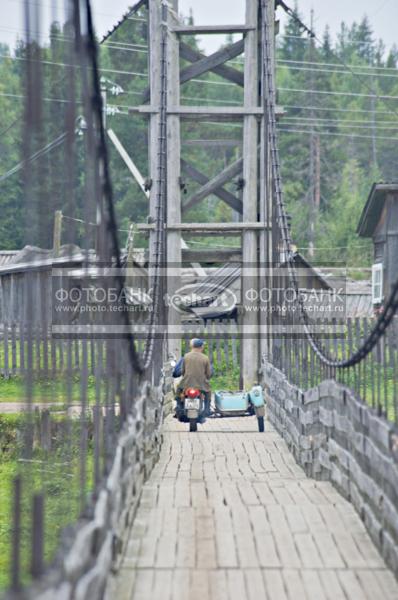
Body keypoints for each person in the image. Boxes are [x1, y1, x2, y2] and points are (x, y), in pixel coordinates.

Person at [175, 338, 212, 419]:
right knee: (208, 392)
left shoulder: (186, 356)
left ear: (192, 346)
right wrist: (207, 378)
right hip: (202, 384)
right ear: (201, 347)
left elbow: (183, 371)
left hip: (186, 383)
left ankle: (178, 407)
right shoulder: (205, 358)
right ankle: (207, 409)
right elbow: (208, 374)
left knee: (178, 390)